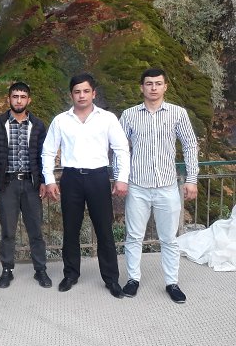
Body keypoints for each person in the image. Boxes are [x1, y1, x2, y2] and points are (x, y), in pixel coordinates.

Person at [42, 73, 130, 298]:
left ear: (94, 93)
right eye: (77, 91)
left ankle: (111, 279)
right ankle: (70, 274)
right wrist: (49, 180)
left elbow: (121, 149)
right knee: (71, 229)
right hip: (71, 178)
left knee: (104, 230)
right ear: (71, 94)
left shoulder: (107, 118)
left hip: (98, 177)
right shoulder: (61, 120)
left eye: (86, 91)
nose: (81, 95)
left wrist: (122, 178)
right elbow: (48, 151)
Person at [118, 68, 199, 303]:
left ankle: (172, 283)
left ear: (165, 87)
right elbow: (120, 149)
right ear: (141, 87)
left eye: (158, 83)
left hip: (167, 186)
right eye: (149, 83)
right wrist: (120, 177)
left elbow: (190, 145)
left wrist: (192, 179)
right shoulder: (129, 115)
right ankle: (133, 279)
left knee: (169, 238)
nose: (153, 87)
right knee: (134, 236)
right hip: (137, 186)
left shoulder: (178, 113)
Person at [0, 82, 51, 288]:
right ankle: (7, 270)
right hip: (7, 184)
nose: (19, 100)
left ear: (29, 100)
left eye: (23, 97)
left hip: (31, 184)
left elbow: (43, 156)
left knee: (36, 230)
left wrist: (43, 181)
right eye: (15, 96)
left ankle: (40, 270)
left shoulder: (38, 125)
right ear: (9, 99)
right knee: (8, 231)